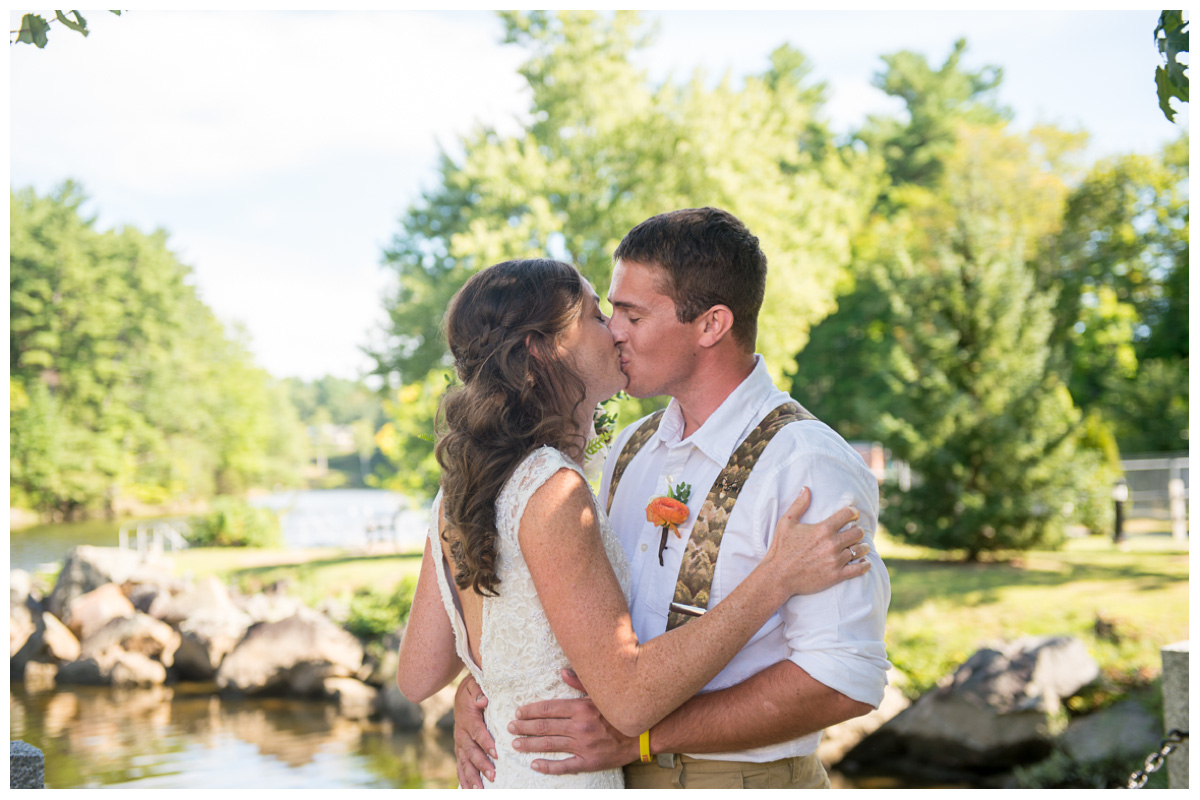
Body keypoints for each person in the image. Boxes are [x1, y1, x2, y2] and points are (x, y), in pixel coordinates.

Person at [452, 208, 892, 789]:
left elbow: (843, 679)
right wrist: (486, 686)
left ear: (711, 326)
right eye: (611, 312)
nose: (612, 331)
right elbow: (574, 610)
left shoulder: (807, 464)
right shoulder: (629, 449)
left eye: (632, 314)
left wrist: (645, 737)